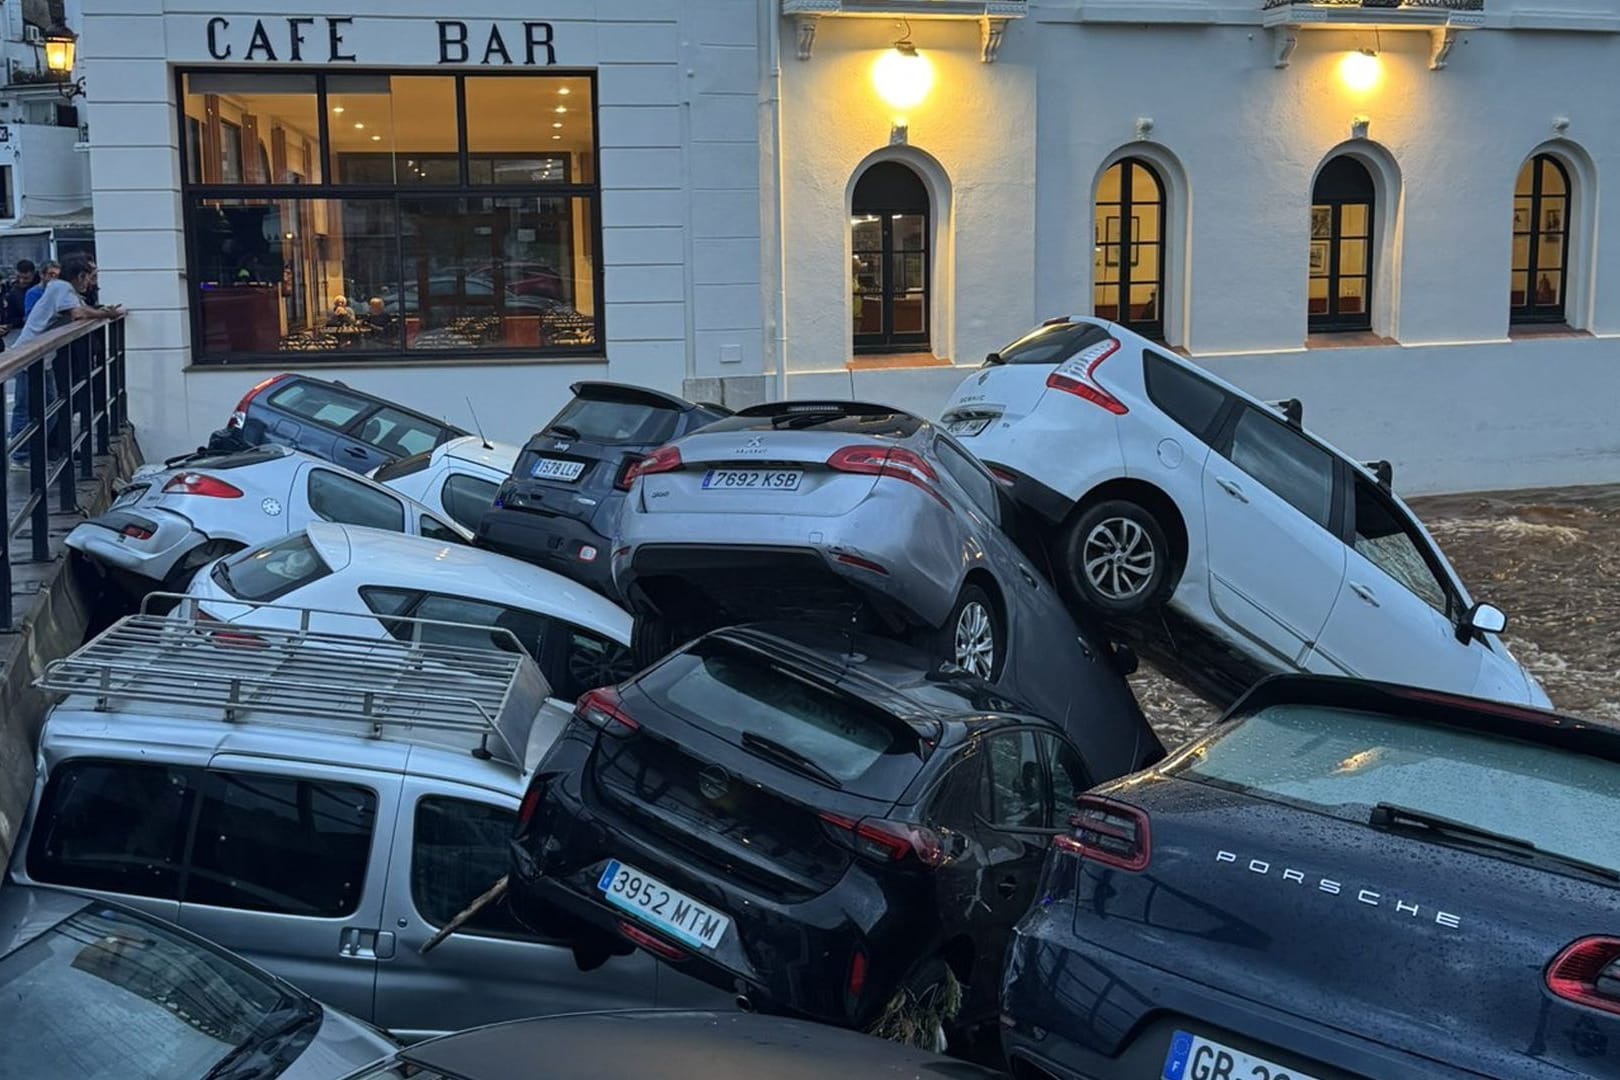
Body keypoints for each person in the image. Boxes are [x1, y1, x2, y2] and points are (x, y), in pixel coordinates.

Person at [8, 256, 122, 469]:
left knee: (51, 410)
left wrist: (102, 312)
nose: (90, 282)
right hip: (29, 358)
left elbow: (82, 309)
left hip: (43, 360)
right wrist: (106, 314)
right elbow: (78, 313)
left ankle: (30, 454)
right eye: (89, 277)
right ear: (79, 276)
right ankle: (21, 456)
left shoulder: (63, 290)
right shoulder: (61, 288)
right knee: (26, 410)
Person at [4, 259, 36, 329]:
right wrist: (23, 320)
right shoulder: (12, 294)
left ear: (33, 274)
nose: (21, 281)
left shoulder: (41, 288)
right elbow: (10, 319)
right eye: (18, 277)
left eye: (26, 278)